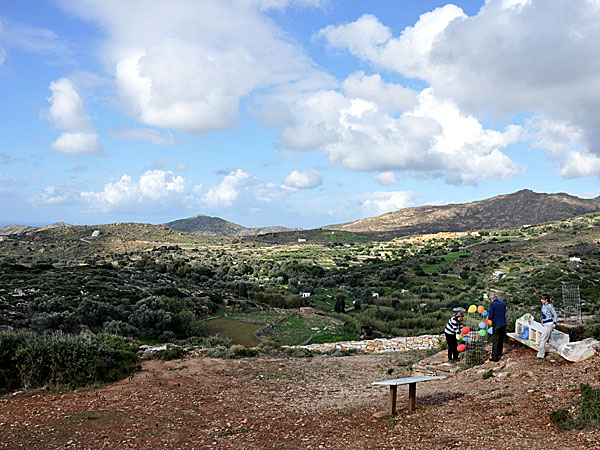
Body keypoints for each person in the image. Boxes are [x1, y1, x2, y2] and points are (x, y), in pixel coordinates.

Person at [536, 293, 557, 359]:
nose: (541, 300)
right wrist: (542, 321)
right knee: (546, 338)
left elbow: (555, 315)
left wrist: (554, 323)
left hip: (549, 324)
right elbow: (544, 315)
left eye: (542, 299)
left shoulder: (550, 306)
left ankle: (540, 355)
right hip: (545, 324)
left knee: (542, 339)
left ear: (546, 300)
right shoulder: (543, 305)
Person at [487, 292, 506, 362]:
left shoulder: (492, 304)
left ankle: (495, 357)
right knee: (501, 339)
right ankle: (499, 353)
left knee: (495, 340)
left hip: (496, 324)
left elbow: (491, 315)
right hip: (503, 323)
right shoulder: (503, 303)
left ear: (491, 298)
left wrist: (489, 318)